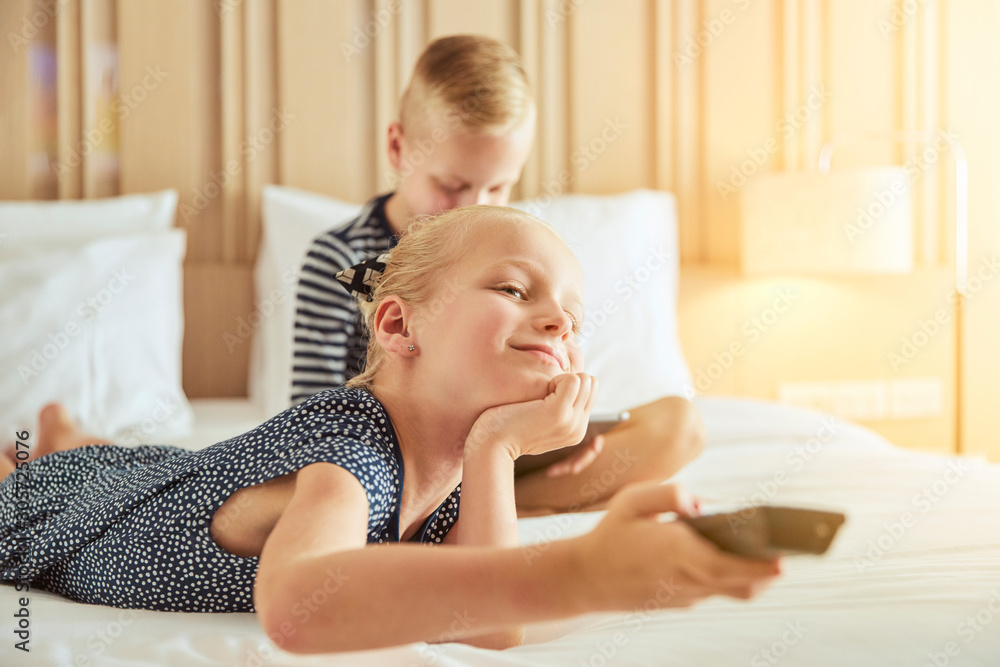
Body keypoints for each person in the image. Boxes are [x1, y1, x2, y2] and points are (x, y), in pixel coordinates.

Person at [0, 206, 781, 653]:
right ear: (400, 324)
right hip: (65, 514)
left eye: (574, 320)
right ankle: (53, 443)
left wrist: (498, 447)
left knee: (137, 464)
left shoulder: (451, 460)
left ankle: (69, 433)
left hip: (166, 479)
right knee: (35, 476)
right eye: (515, 288)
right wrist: (583, 573)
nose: (557, 321)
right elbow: (300, 606)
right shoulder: (354, 453)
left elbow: (488, 618)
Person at [292, 34, 704, 515]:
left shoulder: (524, 248)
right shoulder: (342, 257)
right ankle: (458, 509)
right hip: (399, 460)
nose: (475, 206)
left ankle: (489, 505)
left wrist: (561, 414)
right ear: (399, 148)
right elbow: (310, 419)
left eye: (498, 186)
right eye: (451, 185)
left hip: (514, 446)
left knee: (680, 424)